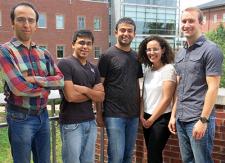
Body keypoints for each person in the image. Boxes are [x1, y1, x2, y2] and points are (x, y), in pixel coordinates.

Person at [0, 2, 64, 163]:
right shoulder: (5, 51)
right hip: (20, 118)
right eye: (21, 19)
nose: (26, 24)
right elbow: (19, 87)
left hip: (43, 115)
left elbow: (61, 80)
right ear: (13, 23)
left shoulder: (44, 52)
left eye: (31, 20)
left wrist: (34, 80)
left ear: (36, 25)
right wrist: (46, 85)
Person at [168, 7, 223, 163]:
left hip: (198, 119)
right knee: (188, 161)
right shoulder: (180, 52)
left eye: (191, 20)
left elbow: (213, 88)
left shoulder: (211, 50)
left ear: (201, 23)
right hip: (181, 119)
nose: (186, 24)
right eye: (184, 21)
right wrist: (173, 116)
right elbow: (180, 87)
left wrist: (203, 121)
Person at [97, 17, 143, 163]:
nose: (126, 33)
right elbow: (99, 87)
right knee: (116, 157)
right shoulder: (107, 56)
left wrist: (140, 112)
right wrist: (99, 113)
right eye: (122, 30)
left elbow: (137, 85)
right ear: (116, 32)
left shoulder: (137, 57)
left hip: (133, 114)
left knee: (128, 156)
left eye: (130, 31)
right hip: (114, 114)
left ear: (134, 34)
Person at [57, 29, 105, 163]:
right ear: (73, 44)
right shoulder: (65, 63)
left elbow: (101, 97)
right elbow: (70, 96)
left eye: (89, 44)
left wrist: (84, 89)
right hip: (71, 123)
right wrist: (93, 93)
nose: (85, 46)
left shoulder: (93, 68)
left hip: (90, 121)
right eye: (81, 43)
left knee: (88, 160)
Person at [138, 35, 176, 163]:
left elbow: (167, 99)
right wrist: (141, 115)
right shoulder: (148, 70)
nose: (151, 52)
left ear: (163, 50)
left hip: (161, 118)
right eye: (148, 49)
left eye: (155, 49)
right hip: (146, 117)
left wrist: (152, 119)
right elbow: (144, 96)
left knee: (154, 153)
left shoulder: (169, 69)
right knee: (152, 154)